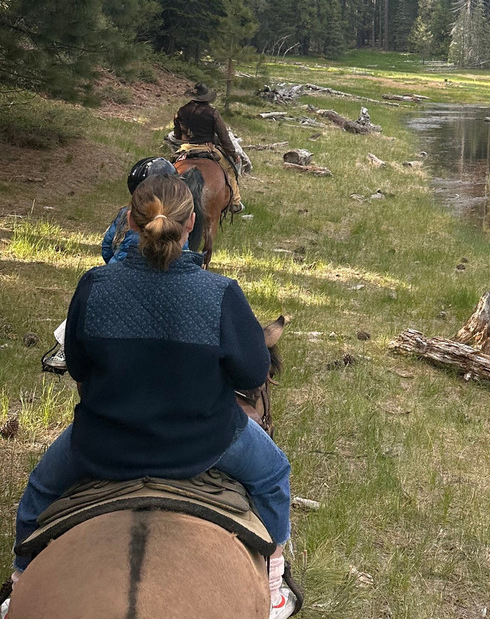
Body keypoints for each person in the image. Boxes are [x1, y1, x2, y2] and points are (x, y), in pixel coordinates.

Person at [5, 175, 296, 619]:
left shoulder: (95, 286)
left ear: (130, 222)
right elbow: (254, 371)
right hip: (205, 444)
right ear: (192, 222)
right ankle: (274, 588)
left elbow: (79, 367)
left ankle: (18, 584)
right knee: (274, 473)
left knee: (39, 493)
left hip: (101, 444)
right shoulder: (219, 293)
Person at [41, 157, 201, 374]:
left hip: (119, 272)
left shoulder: (96, 278)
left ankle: (64, 351)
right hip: (170, 274)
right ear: (190, 222)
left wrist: (113, 268)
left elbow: (107, 247)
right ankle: (234, 196)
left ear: (132, 217)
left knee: (85, 311)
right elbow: (184, 252)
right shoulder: (179, 231)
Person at [172, 82, 244, 213]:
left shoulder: (181, 111)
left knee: (170, 169)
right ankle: (235, 201)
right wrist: (233, 155)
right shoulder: (212, 113)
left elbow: (177, 135)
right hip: (207, 147)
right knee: (229, 169)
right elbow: (224, 137)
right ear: (207, 98)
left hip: (186, 147)